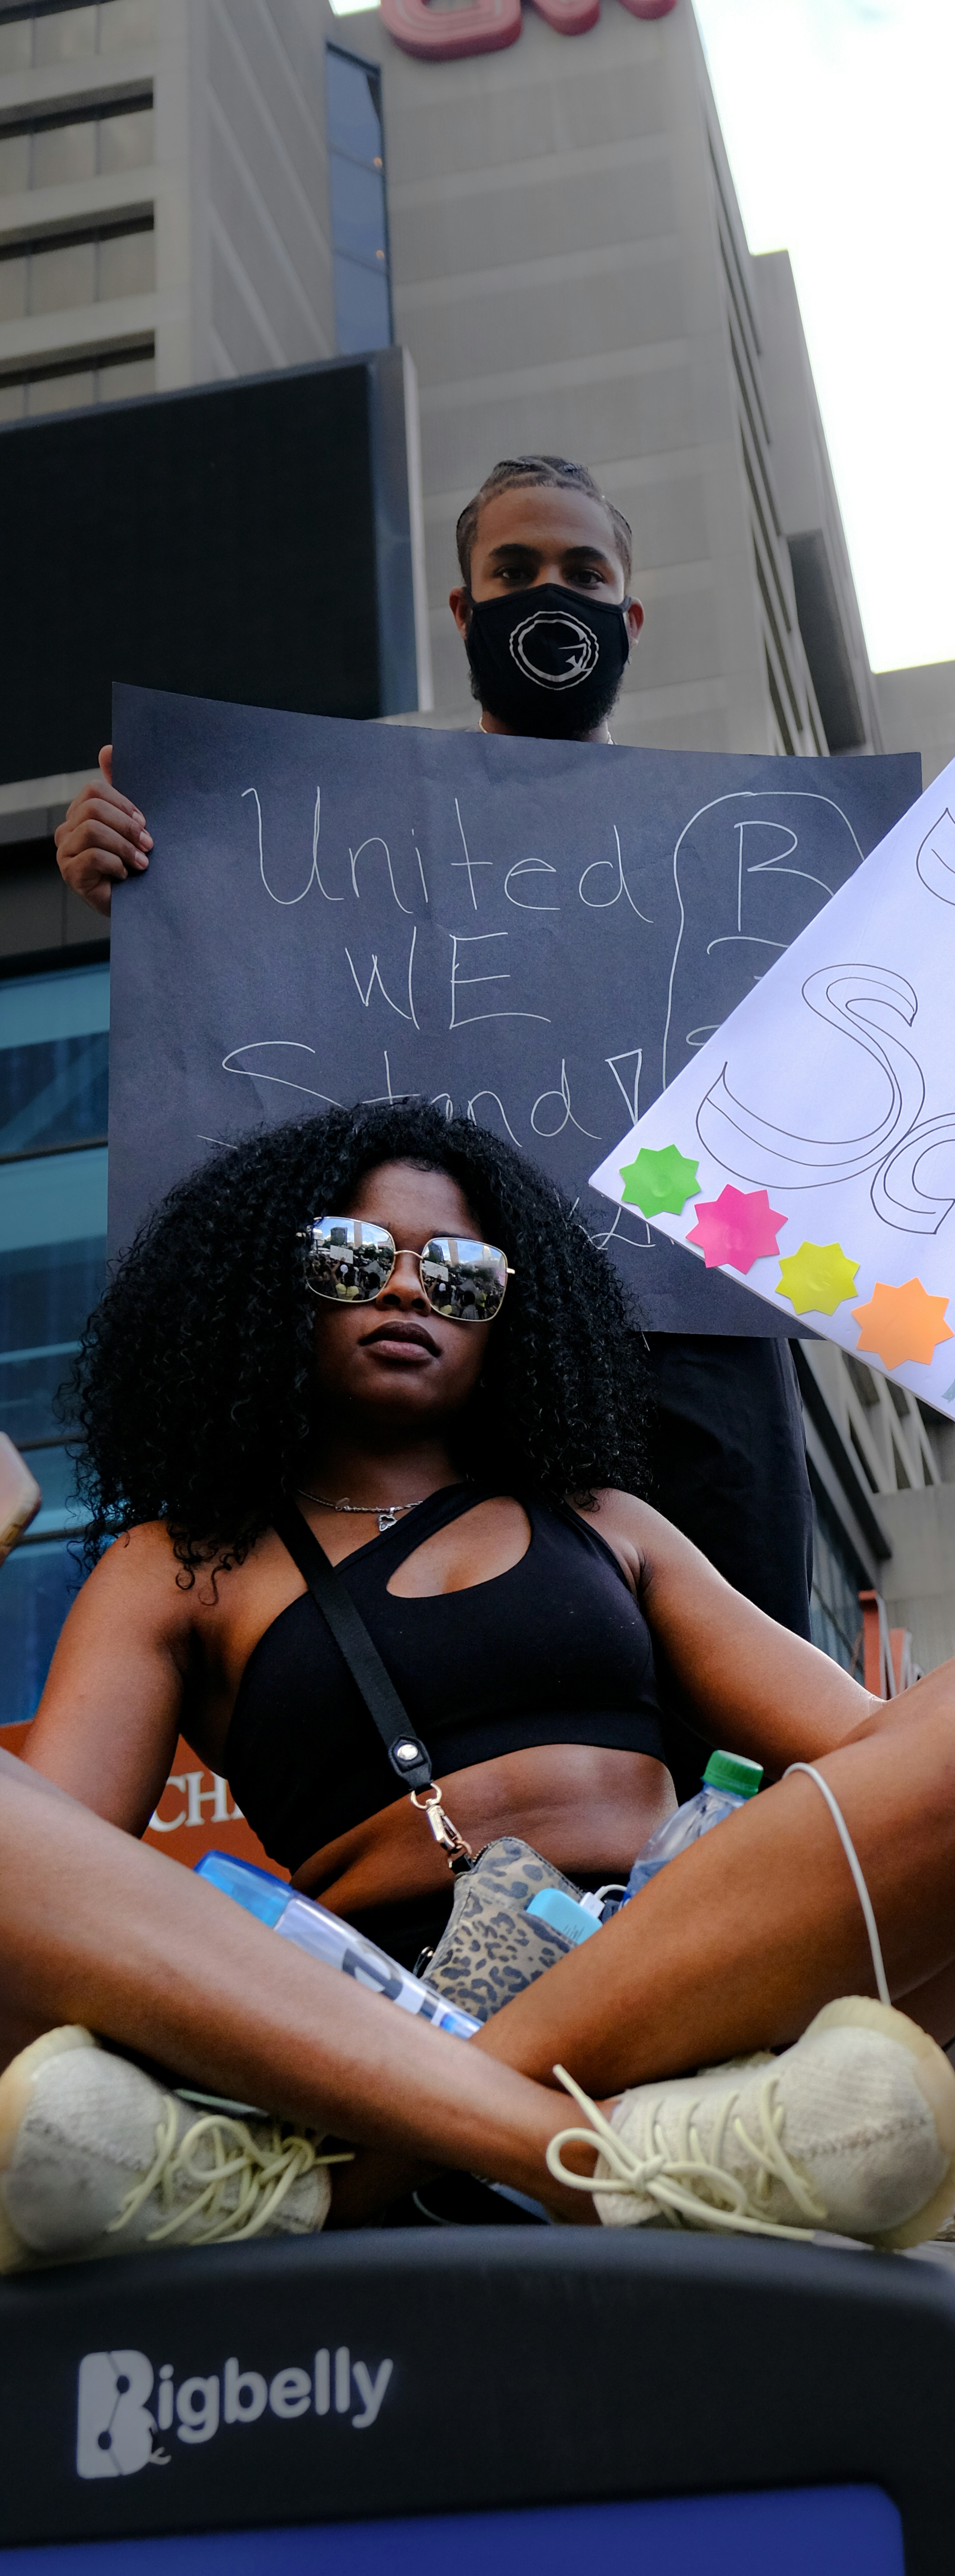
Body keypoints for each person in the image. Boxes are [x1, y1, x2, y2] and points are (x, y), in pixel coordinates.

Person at [5, 1098, 955, 2260]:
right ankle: (634, 2149)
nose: (406, 1295)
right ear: (267, 1292)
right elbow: (55, 1887)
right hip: (366, 2007)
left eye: (457, 1275)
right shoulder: (178, 1566)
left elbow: (902, 1752)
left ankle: (367, 2168)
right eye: (351, 1261)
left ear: (512, 1312)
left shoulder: (607, 1520)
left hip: (697, 1969)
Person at [52, 453, 814, 1684]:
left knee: (748, 1704)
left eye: (581, 571)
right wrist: (139, 878)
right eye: (512, 572)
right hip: (467, 1352)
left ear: (628, 614)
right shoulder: (337, 835)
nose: (546, 595)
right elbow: (245, 1013)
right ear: (464, 611)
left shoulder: (748, 862)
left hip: (697, 1337)